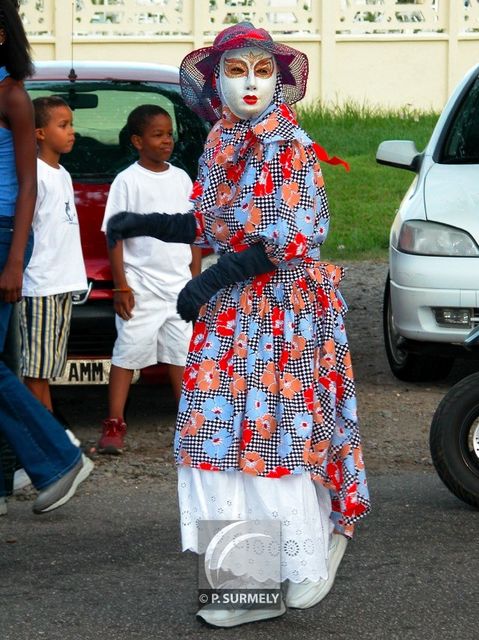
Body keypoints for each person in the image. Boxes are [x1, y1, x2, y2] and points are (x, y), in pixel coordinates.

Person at [108, 22, 370, 627]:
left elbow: (287, 238)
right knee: (220, 440)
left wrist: (206, 282)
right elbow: (215, 221)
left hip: (283, 313)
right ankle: (246, 585)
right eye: (235, 70)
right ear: (214, 81)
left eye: (261, 70)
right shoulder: (224, 138)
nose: (250, 83)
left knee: (273, 440)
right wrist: (145, 223)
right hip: (234, 312)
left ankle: (313, 548)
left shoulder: (287, 145)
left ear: (279, 78)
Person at [0, 0, 93, 515]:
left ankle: (60, 458)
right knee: (6, 363)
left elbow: (29, 183)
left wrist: (15, 259)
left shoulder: (12, 95)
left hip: (4, 236)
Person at [97, 104, 202, 455]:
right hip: (140, 286)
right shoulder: (128, 181)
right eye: (157, 135)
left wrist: (194, 280)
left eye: (169, 133)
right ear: (138, 141)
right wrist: (121, 285)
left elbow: (194, 233)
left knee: (182, 354)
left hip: (177, 286)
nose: (166, 141)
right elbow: (114, 235)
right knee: (128, 353)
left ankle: (191, 425)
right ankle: (114, 423)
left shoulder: (182, 179)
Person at [18, 95, 87, 418]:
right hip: (39, 285)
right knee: (34, 370)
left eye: (71, 124)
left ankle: (50, 437)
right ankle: (50, 441)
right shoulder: (34, 174)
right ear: (39, 133)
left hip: (61, 284)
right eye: (63, 125)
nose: (72, 131)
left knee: (46, 368)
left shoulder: (62, 173)